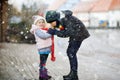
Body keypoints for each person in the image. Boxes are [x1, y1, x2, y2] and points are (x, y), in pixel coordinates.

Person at [45, 10, 90, 80]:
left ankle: (74, 75)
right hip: (76, 34)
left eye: (51, 22)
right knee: (70, 52)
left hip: (79, 34)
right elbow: (63, 31)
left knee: (71, 52)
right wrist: (55, 31)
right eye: (49, 23)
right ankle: (73, 73)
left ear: (56, 19)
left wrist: (55, 32)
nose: (51, 24)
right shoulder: (61, 22)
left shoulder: (68, 20)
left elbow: (67, 33)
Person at [30, 15, 54, 80]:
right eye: (39, 22)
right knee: (42, 63)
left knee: (44, 62)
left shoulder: (42, 29)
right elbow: (44, 36)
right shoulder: (37, 30)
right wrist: (51, 33)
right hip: (42, 48)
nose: (41, 24)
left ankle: (44, 74)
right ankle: (42, 76)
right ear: (36, 24)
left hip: (46, 48)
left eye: (42, 22)